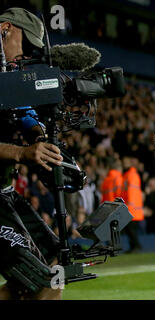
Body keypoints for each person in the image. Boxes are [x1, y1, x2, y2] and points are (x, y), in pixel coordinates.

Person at [0, 8, 63, 299]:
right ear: (5, 29)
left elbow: (22, 112)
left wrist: (39, 136)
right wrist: (22, 153)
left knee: (56, 266)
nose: (26, 56)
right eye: (26, 45)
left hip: (5, 191)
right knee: (39, 277)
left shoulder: (7, 76)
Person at [121, 156, 144, 252]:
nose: (124, 164)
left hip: (132, 209)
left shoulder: (131, 176)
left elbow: (132, 194)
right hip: (131, 208)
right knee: (130, 230)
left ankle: (136, 246)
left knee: (131, 230)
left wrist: (128, 207)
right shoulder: (128, 175)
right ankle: (134, 246)